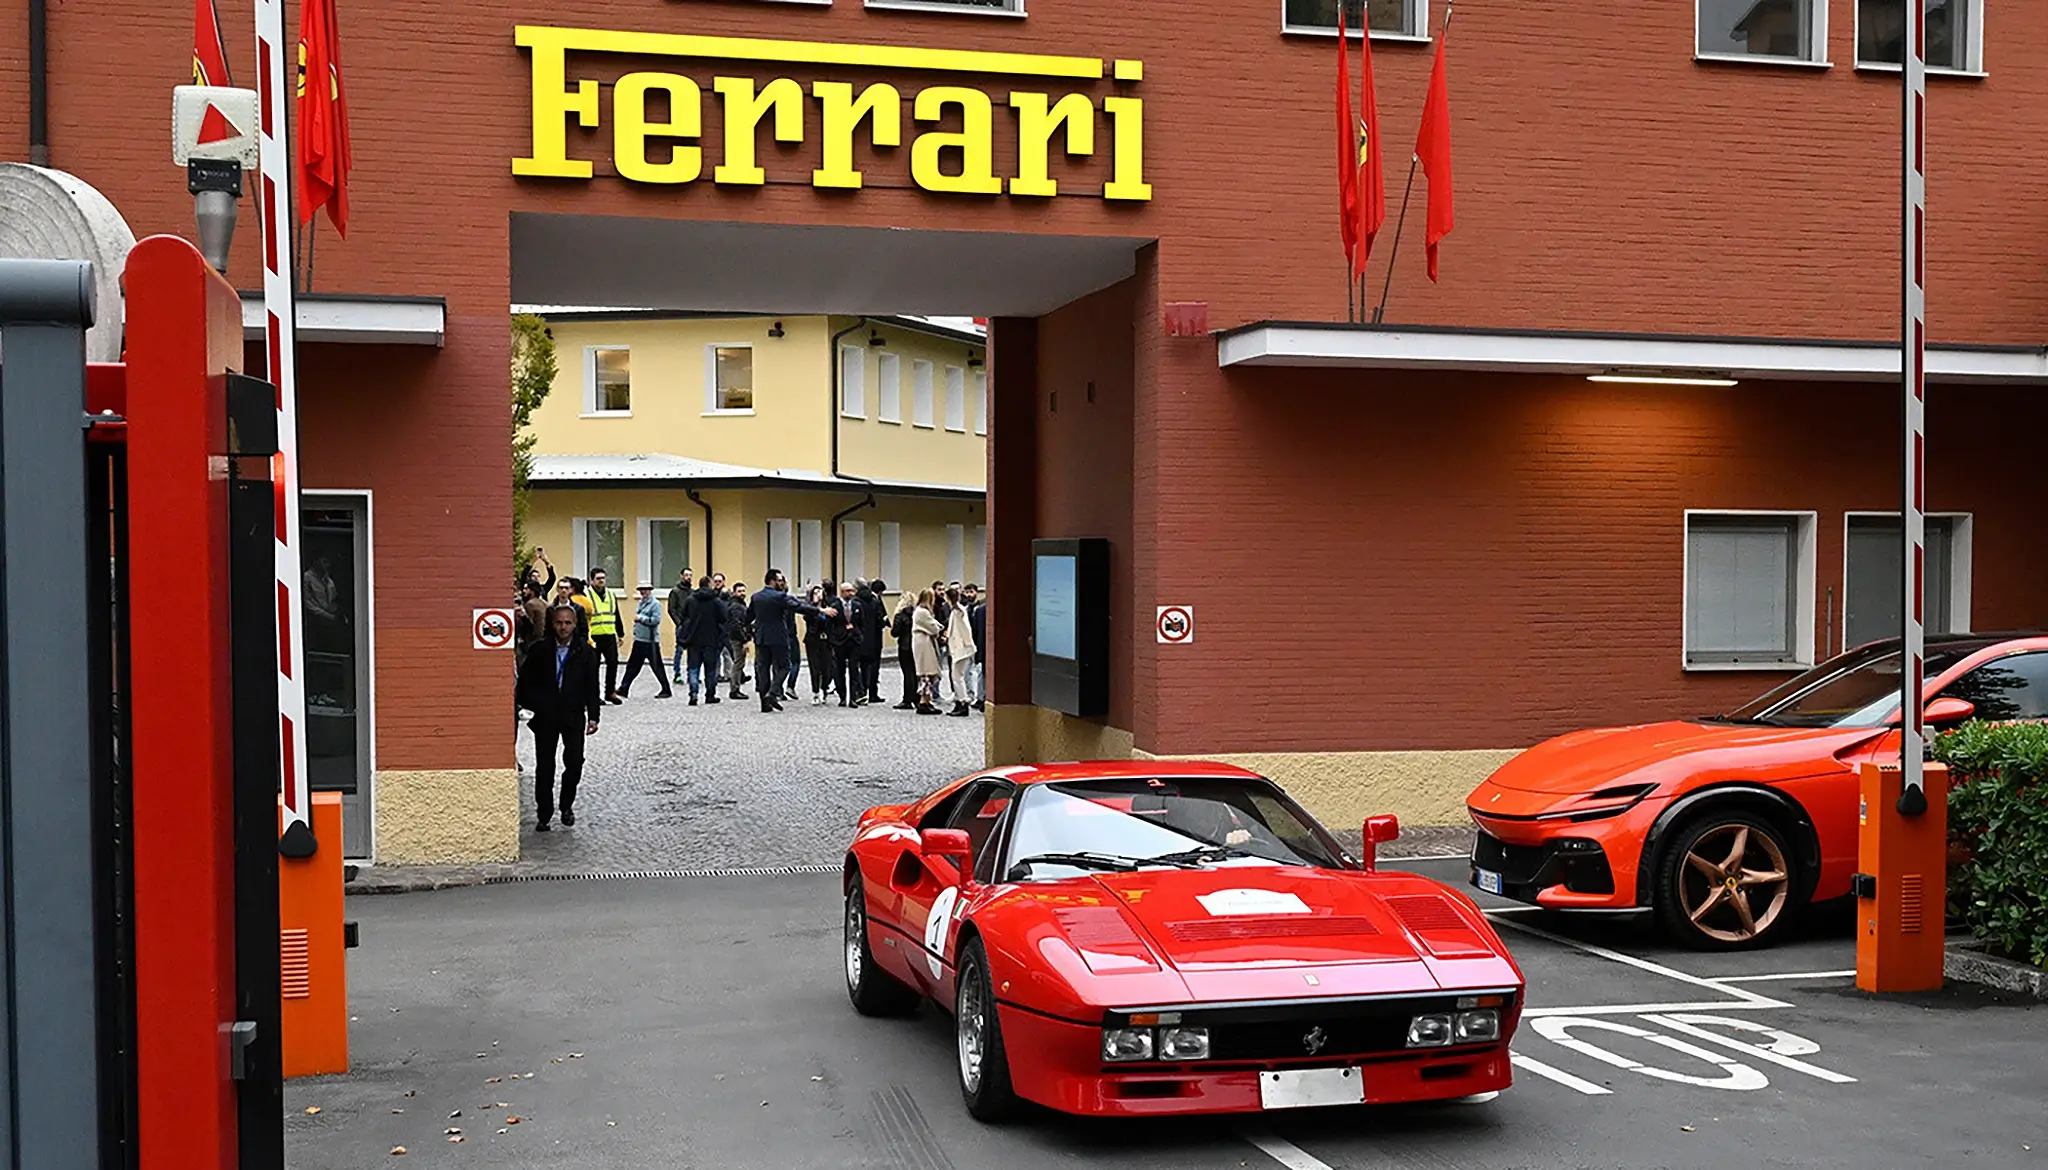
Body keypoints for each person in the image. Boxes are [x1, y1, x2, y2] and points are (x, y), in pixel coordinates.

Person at [514, 604, 601, 832]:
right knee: (545, 766)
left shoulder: (585, 652)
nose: (563, 627)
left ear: (575, 624)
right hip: (546, 715)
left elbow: (592, 686)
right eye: (559, 622)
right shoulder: (540, 650)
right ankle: (544, 813)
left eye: (568, 623)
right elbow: (525, 683)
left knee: (574, 762)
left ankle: (566, 805)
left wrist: (594, 716)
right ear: (553, 624)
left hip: (572, 715)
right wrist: (533, 704)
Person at [747, 570, 821, 712]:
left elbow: (748, 617)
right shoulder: (779, 596)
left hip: (761, 638)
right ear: (772, 581)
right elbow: (798, 607)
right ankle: (773, 693)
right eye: (779, 580)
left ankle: (765, 704)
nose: (781, 583)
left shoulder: (756, 597)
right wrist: (818, 610)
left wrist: (748, 630)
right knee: (785, 666)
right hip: (778, 637)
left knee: (763, 670)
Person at [617, 582, 674, 699]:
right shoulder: (641, 603)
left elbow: (655, 620)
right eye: (641, 590)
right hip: (639, 640)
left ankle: (666, 689)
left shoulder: (655, 604)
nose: (643, 592)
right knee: (632, 666)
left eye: (645, 590)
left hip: (650, 641)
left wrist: (640, 618)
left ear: (650, 590)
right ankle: (624, 688)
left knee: (657, 666)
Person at [676, 574, 727, 705]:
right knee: (710, 669)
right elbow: (723, 618)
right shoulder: (715, 601)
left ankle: (693, 693)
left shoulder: (691, 599)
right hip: (711, 639)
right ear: (709, 585)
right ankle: (710, 695)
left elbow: (683, 617)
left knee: (693, 668)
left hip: (693, 639)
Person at [585, 567, 625, 705]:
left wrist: (620, 633)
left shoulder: (610, 594)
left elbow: (616, 614)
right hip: (593, 636)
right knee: (593, 667)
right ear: (591, 580)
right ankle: (594, 695)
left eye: (603, 578)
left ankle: (610, 692)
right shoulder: (587, 595)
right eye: (598, 578)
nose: (601, 581)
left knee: (613, 663)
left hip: (609, 634)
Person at [943, 585, 976, 717]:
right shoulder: (955, 611)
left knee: (957, 677)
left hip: (961, 649)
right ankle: (959, 701)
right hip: (957, 648)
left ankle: (963, 702)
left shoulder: (958, 611)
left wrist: (954, 600)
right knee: (956, 676)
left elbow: (961, 615)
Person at [912, 588, 945, 715]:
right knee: (926, 672)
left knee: (929, 673)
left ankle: (927, 700)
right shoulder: (922, 612)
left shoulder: (922, 611)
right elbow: (934, 628)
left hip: (925, 643)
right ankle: (923, 702)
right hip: (924, 645)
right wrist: (939, 628)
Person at [828, 579, 861, 706]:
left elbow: (862, 623)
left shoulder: (857, 606)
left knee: (854, 670)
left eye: (852, 591)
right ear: (842, 592)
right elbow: (830, 625)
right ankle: (842, 696)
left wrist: (858, 634)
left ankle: (853, 697)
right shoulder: (835, 606)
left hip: (853, 640)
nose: (851, 593)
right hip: (840, 641)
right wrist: (833, 639)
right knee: (839, 670)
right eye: (848, 591)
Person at [856, 578, 887, 705]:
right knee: (871, 667)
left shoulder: (856, 602)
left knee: (857, 666)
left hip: (858, 638)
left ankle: (860, 692)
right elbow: (880, 621)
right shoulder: (874, 602)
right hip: (874, 639)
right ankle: (872, 692)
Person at [803, 584, 833, 704]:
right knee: (814, 667)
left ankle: (824, 689)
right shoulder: (810, 608)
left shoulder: (829, 607)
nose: (818, 595)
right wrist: (815, 605)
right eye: (815, 593)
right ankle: (815, 692)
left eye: (819, 592)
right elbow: (807, 618)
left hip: (826, 640)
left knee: (827, 667)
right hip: (813, 640)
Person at [723, 582, 752, 700]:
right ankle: (734, 689)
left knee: (739, 662)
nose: (742, 593)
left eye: (744, 591)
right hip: (737, 638)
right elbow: (737, 625)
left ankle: (735, 688)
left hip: (737, 637)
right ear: (734, 592)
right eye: (739, 591)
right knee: (738, 663)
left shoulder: (739, 604)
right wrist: (744, 639)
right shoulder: (736, 606)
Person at [666, 566, 694, 684]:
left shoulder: (692, 592)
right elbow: (671, 609)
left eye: (690, 575)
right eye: (686, 575)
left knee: (693, 651)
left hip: (692, 625)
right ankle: (677, 673)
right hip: (682, 625)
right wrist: (679, 623)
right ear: (681, 576)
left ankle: (691, 674)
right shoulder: (675, 591)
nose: (688, 577)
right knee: (679, 650)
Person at [891, 590, 918, 709]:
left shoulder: (900, 615)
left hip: (904, 646)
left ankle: (907, 699)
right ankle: (916, 696)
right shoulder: (917, 614)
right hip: (916, 646)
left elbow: (895, 633)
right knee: (915, 672)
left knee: (907, 673)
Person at [965, 583, 987, 711]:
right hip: (981, 646)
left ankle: (982, 697)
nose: (969, 595)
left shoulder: (979, 610)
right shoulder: (978, 610)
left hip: (981, 646)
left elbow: (976, 631)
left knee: (982, 674)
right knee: (982, 673)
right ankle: (982, 697)